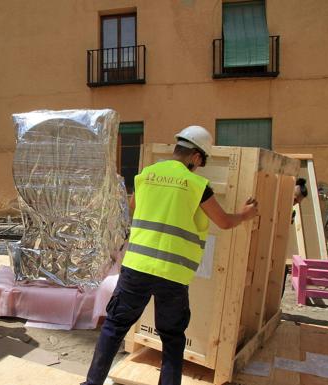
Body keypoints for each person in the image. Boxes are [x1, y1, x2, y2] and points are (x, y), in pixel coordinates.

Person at [81, 125, 258, 385]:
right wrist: (245, 214)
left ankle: (91, 383)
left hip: (136, 268)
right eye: (201, 162)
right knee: (172, 338)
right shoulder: (197, 185)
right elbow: (224, 222)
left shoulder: (146, 175)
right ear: (196, 157)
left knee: (114, 327)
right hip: (172, 274)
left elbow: (132, 208)